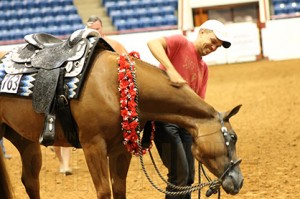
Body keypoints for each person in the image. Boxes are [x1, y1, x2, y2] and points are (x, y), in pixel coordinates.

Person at [144, 19, 231, 199]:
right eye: (213, 41)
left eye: (218, 46)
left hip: (185, 126)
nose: (214, 47)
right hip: (165, 121)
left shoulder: (203, 68)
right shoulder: (180, 42)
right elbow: (152, 43)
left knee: (188, 176)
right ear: (202, 32)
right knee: (179, 175)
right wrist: (170, 69)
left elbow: (198, 103)